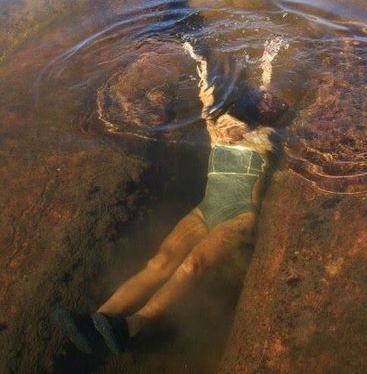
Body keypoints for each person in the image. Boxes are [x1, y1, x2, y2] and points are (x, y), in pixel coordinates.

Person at [54, 37, 286, 356]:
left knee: (192, 265)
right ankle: (97, 321)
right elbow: (208, 96)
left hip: (240, 215)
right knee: (159, 261)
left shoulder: (263, 137)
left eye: (238, 119)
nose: (231, 125)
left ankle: (132, 327)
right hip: (207, 208)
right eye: (229, 117)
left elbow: (265, 94)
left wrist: (267, 60)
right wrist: (200, 59)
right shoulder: (215, 125)